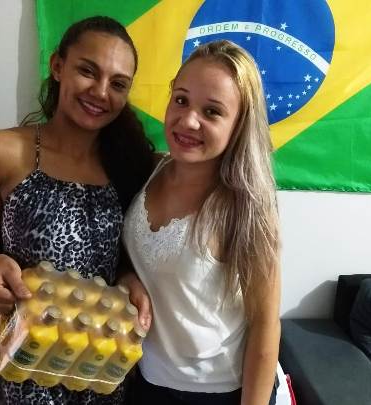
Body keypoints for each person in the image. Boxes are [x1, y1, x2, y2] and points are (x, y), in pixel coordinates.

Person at [0, 16, 154, 405]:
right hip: (31, 364)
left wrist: (128, 277)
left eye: (118, 84)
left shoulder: (129, 163)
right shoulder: (0, 151)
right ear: (57, 66)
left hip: (103, 365)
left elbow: (118, 256)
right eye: (88, 71)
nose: (101, 92)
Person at [119, 40, 281, 405]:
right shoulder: (151, 168)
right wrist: (127, 277)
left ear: (238, 125)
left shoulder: (245, 206)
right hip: (146, 378)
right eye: (181, 100)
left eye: (212, 111)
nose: (188, 120)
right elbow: (132, 255)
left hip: (218, 392)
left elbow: (265, 325)